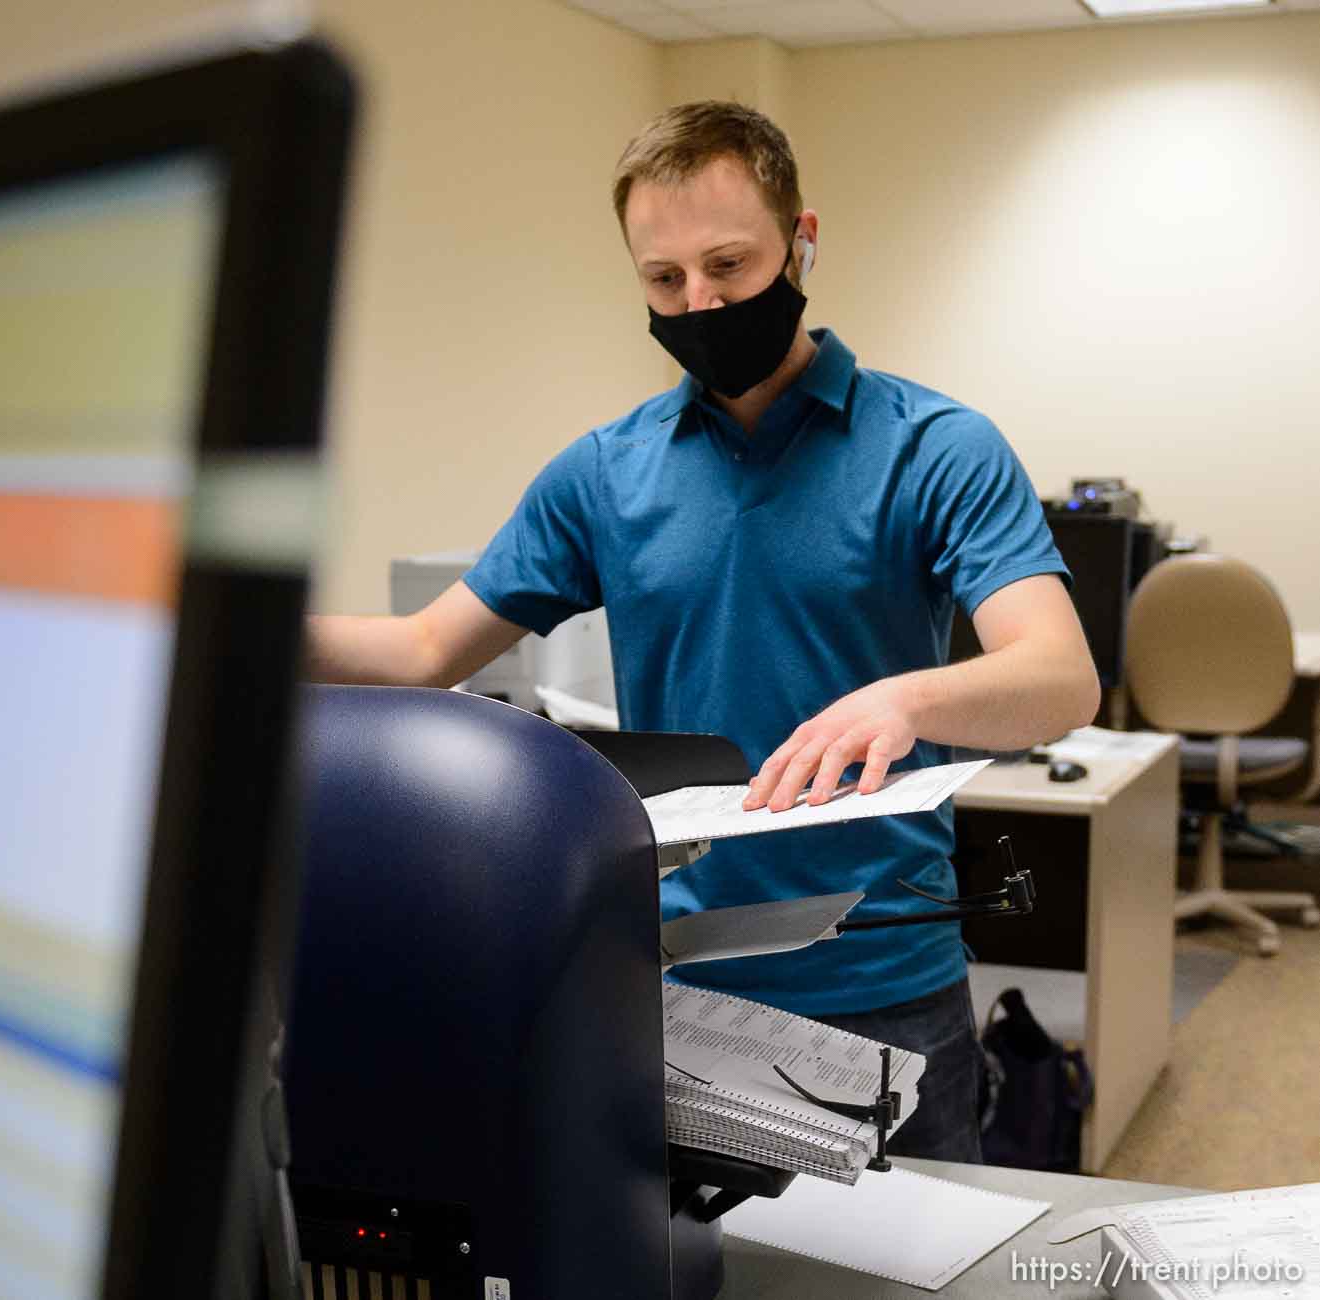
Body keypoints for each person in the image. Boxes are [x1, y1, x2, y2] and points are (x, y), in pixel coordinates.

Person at [303, 101, 1100, 1161]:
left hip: (883, 983)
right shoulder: (605, 471)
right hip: (678, 981)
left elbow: (1060, 679)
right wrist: (223, 614)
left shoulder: (936, 447)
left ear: (801, 241)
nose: (701, 300)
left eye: (728, 262)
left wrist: (906, 696)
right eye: (663, 279)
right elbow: (419, 653)